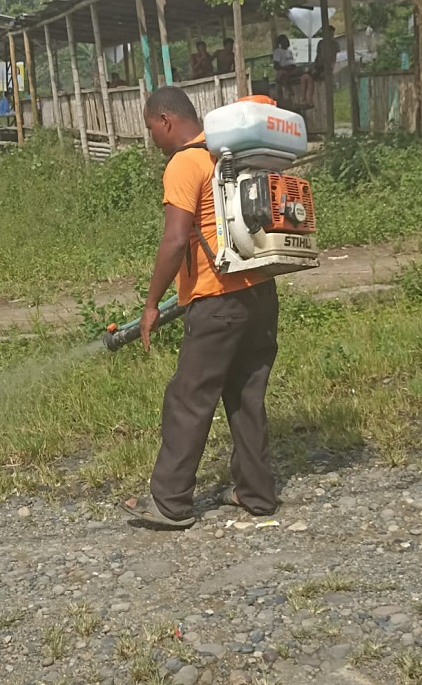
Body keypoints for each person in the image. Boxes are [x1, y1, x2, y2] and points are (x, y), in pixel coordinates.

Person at [120, 86, 281, 529]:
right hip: (261, 293)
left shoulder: (185, 163)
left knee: (188, 399)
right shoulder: (233, 154)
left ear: (166, 120)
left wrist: (151, 304)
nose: (152, 137)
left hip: (216, 302)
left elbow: (175, 240)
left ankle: (170, 503)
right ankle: (256, 493)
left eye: (151, 128)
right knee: (246, 396)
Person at [272, 34, 315, 108]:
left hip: (293, 68)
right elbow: (276, 65)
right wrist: (284, 69)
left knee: (307, 76)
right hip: (286, 70)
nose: (287, 42)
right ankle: (291, 92)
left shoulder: (289, 51)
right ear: (281, 43)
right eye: (285, 41)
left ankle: (306, 100)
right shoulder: (278, 51)